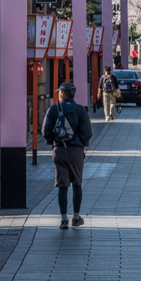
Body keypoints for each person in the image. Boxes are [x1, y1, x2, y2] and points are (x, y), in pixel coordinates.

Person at [42, 81, 92, 229]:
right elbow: (87, 133)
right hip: (76, 150)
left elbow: (45, 131)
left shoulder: (54, 109)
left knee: (62, 185)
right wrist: (79, 142)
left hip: (60, 150)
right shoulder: (80, 110)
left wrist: (53, 141)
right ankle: (76, 217)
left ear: (62, 94)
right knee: (77, 183)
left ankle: (63, 219)